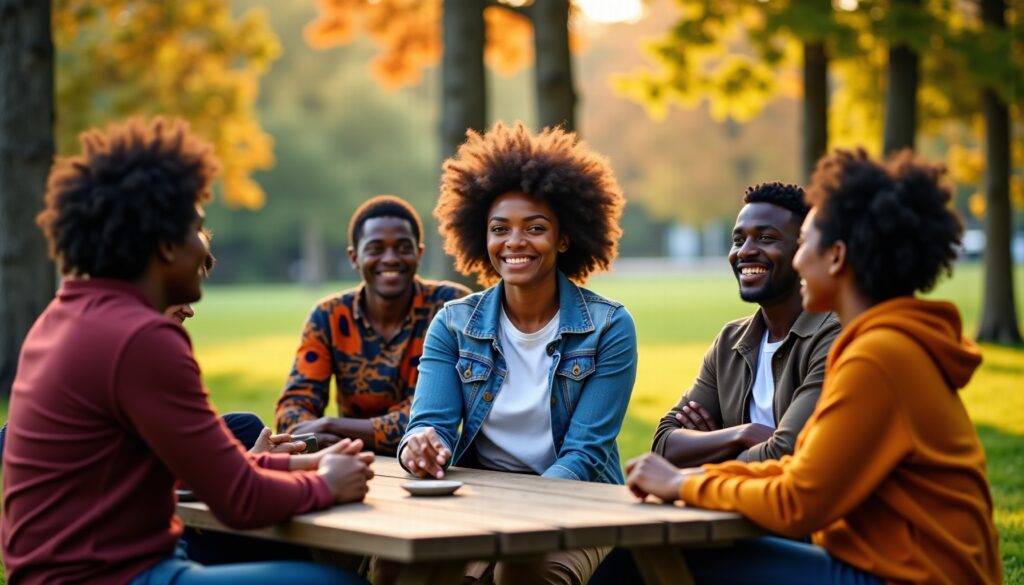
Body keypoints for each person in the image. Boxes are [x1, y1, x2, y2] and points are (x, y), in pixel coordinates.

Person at [1, 117, 374, 584]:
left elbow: (198, 469)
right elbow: (238, 499)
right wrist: (325, 484)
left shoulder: (64, 314)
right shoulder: (140, 337)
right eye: (197, 230)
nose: (204, 248)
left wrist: (304, 461)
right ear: (163, 246)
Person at [626, 148, 1001, 585]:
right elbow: (803, 469)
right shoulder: (882, 345)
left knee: (644, 557)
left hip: (908, 576)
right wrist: (695, 471)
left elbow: (797, 499)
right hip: (881, 563)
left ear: (836, 256)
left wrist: (684, 484)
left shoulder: (879, 356)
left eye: (807, 242)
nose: (800, 260)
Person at [398, 122, 636, 585]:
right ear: (482, 239)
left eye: (535, 228)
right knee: (401, 567)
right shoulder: (453, 323)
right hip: (479, 497)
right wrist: (420, 447)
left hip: (577, 501)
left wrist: (509, 518)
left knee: (520, 573)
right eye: (499, 229)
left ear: (563, 239)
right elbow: (429, 425)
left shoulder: (609, 327)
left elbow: (583, 455)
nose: (515, 242)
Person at [652, 182, 840, 466]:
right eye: (739, 240)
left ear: (803, 251)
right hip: (734, 507)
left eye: (766, 238)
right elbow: (664, 445)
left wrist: (712, 451)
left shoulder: (833, 336)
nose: (745, 251)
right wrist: (743, 434)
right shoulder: (730, 342)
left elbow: (790, 452)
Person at [274, 195, 471, 455]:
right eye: (376, 248)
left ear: (418, 253)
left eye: (402, 247)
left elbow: (427, 419)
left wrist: (331, 425)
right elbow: (292, 413)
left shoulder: (451, 307)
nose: (390, 258)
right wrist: (323, 436)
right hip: (352, 458)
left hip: (430, 459)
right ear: (354, 257)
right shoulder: (329, 316)